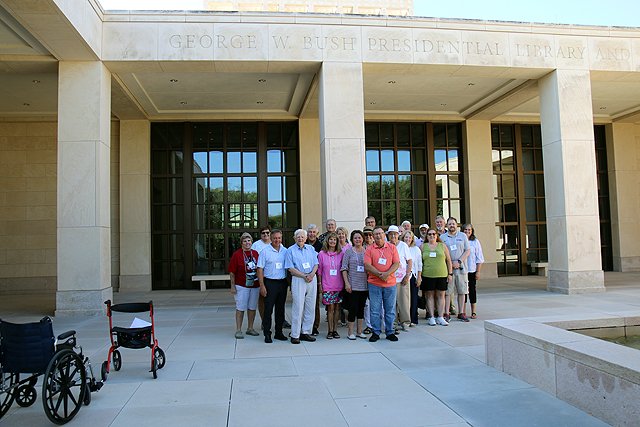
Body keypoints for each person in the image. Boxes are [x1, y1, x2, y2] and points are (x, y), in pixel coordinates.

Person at [364, 227, 400, 342]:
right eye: (376, 234)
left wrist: (387, 274)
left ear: (384, 235)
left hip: (390, 284)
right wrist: (380, 274)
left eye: (380, 234)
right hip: (374, 284)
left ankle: (390, 332)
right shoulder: (369, 249)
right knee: (375, 310)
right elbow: (367, 265)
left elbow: (396, 263)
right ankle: (376, 332)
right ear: (373, 237)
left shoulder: (392, 247)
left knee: (390, 310)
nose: (378, 236)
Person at [284, 229, 318, 344]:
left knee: (310, 306)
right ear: (294, 238)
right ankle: (295, 334)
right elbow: (290, 268)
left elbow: (316, 264)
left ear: (306, 238)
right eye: (298, 237)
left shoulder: (311, 249)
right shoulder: (290, 251)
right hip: (299, 279)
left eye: (302, 237)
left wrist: (312, 274)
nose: (300, 238)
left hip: (311, 279)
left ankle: (306, 332)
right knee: (298, 307)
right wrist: (304, 276)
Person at [256, 229, 289, 343]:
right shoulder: (265, 251)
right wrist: (262, 286)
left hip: (282, 283)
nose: (277, 240)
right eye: (275, 238)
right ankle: (267, 333)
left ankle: (279, 333)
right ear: (271, 238)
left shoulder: (285, 251)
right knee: (268, 310)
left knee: (280, 310)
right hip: (269, 283)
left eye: (279, 238)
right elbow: (259, 269)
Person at [228, 233, 260, 339]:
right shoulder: (237, 255)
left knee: (252, 307)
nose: (247, 243)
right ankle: (238, 330)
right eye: (245, 241)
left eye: (249, 241)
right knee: (240, 307)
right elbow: (232, 272)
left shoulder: (255, 253)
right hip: (242, 285)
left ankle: (250, 328)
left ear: (252, 242)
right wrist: (232, 286)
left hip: (255, 285)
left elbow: (259, 269)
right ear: (241, 243)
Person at [440, 217, 471, 322]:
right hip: (448, 269)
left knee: (462, 291)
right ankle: (447, 313)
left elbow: (467, 250)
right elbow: (441, 252)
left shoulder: (462, 236)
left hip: (461, 268)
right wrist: (450, 263)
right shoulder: (442, 237)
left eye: (453, 224)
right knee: (448, 292)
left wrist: (459, 262)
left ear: (456, 225)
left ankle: (461, 313)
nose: (451, 225)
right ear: (446, 225)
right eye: (449, 224)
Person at [421, 228, 453, 326]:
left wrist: (450, 273)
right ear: (427, 236)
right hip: (427, 275)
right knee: (429, 296)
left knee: (441, 296)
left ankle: (440, 316)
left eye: (434, 234)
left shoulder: (442, 246)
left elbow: (448, 260)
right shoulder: (423, 246)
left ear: (436, 235)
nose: (432, 236)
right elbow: (420, 262)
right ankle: (431, 317)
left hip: (441, 275)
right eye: (429, 234)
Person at [341, 230, 368, 340]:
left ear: (363, 239)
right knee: (353, 309)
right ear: (352, 239)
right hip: (352, 285)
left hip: (364, 286)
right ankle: (350, 332)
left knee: (361, 309)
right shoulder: (348, 252)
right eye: (355, 238)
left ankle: (359, 331)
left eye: (359, 237)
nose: (358, 240)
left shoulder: (366, 251)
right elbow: (344, 268)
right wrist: (347, 283)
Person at [317, 232, 344, 339]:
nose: (332, 241)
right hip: (327, 285)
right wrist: (320, 284)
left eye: (334, 240)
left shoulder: (341, 254)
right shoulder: (321, 254)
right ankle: (330, 330)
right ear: (327, 241)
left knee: (337, 308)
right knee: (330, 308)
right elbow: (319, 271)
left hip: (339, 285)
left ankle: (335, 330)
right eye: (331, 239)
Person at [387, 225, 412, 332]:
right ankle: (393, 322)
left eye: (395, 234)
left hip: (402, 279)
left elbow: (409, 261)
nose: (393, 236)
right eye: (391, 234)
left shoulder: (403, 245)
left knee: (404, 302)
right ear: (388, 235)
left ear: (398, 235)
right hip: (390, 279)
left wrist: (407, 275)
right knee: (391, 303)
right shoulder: (386, 245)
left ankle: (405, 322)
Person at [401, 230, 423, 326]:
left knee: (413, 298)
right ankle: (404, 319)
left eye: (410, 237)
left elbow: (419, 265)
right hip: (402, 276)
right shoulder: (400, 247)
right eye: (406, 237)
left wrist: (419, 277)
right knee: (404, 299)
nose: (408, 239)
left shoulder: (416, 249)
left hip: (413, 276)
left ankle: (413, 319)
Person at [463, 223, 484, 319]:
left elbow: (479, 258)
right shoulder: (460, 240)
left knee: (472, 290)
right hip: (462, 270)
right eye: (465, 230)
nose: (467, 231)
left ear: (472, 231)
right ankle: (462, 311)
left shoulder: (475, 242)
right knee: (463, 291)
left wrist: (478, 271)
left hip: (471, 270)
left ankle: (473, 311)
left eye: (469, 230)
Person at [251, 225, 271, 323]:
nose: (266, 235)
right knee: (262, 299)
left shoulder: (275, 243)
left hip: (273, 276)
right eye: (263, 233)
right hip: (261, 275)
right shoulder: (256, 245)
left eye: (267, 232)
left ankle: (282, 320)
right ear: (260, 235)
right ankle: (264, 321)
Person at [307, 223, 323, 336]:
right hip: (303, 277)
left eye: (314, 232)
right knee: (303, 303)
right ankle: (304, 324)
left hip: (316, 277)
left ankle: (314, 325)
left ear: (317, 233)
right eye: (310, 232)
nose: (312, 234)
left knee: (314, 303)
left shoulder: (321, 246)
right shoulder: (302, 243)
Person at [362, 226, 375, 334]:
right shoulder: (360, 248)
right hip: (363, 280)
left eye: (370, 235)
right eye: (365, 235)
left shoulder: (378, 247)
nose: (368, 237)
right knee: (367, 304)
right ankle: (369, 325)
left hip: (376, 279)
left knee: (380, 304)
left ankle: (384, 325)